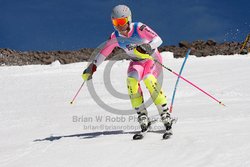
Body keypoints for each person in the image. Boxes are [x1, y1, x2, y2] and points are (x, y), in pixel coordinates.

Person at [82, 4, 174, 133]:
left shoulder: (139, 27)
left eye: (122, 21)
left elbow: (158, 39)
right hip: (136, 62)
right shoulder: (115, 37)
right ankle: (142, 116)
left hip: (151, 59)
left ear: (128, 19)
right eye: (116, 22)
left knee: (149, 79)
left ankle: (164, 112)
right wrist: (93, 66)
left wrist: (148, 46)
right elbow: (104, 52)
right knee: (131, 81)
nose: (119, 25)